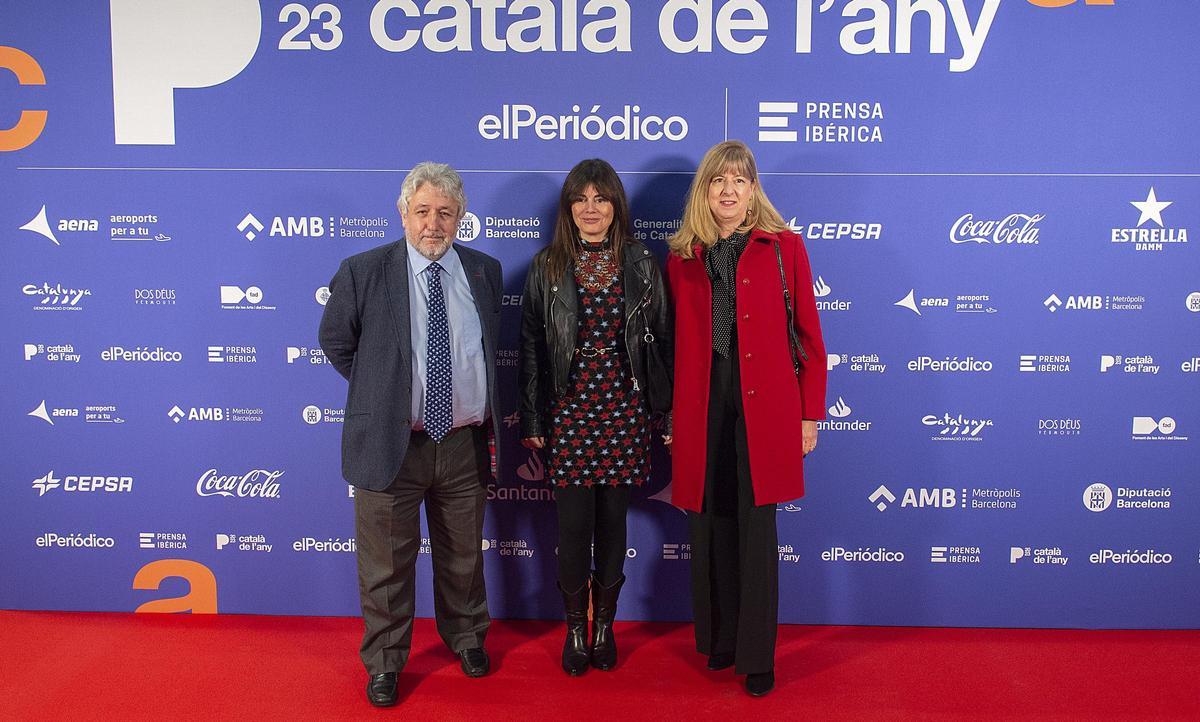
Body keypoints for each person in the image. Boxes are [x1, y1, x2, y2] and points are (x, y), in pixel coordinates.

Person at [318, 162, 503, 708]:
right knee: (386, 567)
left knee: (464, 558)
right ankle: (384, 663)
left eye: (445, 213)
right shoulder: (362, 271)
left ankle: (467, 638)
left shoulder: (485, 273)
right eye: (422, 211)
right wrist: (386, 394)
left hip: (464, 444)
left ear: (461, 217)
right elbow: (336, 341)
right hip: (389, 447)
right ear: (403, 214)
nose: (433, 224)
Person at [666, 140, 827, 697]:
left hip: (767, 406)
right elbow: (674, 344)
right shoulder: (682, 257)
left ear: (754, 190)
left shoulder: (785, 248)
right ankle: (721, 641)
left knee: (757, 528)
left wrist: (810, 415)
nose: (729, 191)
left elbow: (809, 338)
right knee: (710, 521)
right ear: (704, 193)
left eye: (739, 181)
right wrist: (671, 414)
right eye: (718, 182)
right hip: (702, 404)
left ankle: (759, 656)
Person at [518, 158, 672, 676]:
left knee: (612, 527)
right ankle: (575, 631)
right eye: (581, 199)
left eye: (600, 198)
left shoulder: (642, 264)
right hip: (569, 417)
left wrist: (663, 412)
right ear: (568, 208)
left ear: (615, 206)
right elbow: (534, 351)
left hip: (625, 415)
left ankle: (605, 626)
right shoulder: (546, 267)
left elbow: (661, 346)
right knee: (572, 528)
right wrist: (535, 422)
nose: (591, 208)